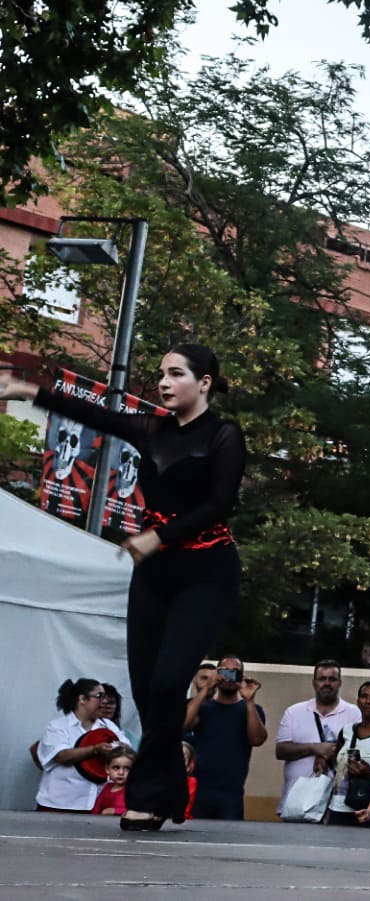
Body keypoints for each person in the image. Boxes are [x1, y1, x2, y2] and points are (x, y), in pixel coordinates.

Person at [3, 346, 247, 831]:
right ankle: (168, 792)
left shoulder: (223, 436)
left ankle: (146, 795)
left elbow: (221, 502)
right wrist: (28, 390)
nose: (164, 382)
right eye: (161, 374)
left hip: (206, 571)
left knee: (166, 683)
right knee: (144, 689)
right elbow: (93, 413)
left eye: (176, 374)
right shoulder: (151, 428)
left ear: (204, 383)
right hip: (155, 574)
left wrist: (159, 534)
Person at [182, 655, 267, 820]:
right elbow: (183, 726)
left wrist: (249, 700)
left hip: (232, 792)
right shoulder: (203, 707)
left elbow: (257, 740)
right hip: (199, 789)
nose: (229, 676)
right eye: (225, 671)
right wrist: (206, 689)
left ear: (242, 676)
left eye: (235, 672)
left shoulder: (251, 710)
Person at [275, 660, 361, 812]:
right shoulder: (294, 712)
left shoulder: (353, 713)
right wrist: (315, 748)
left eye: (332, 679)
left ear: (340, 683)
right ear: (314, 683)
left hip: (338, 805)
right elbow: (281, 751)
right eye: (322, 679)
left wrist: (330, 753)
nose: (327, 683)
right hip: (296, 804)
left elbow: (358, 751)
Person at [36, 678, 130, 812]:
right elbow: (61, 755)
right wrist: (95, 749)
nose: (104, 701)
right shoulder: (57, 727)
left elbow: (126, 750)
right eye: (99, 696)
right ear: (82, 699)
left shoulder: (109, 726)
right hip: (59, 805)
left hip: (96, 805)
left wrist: (117, 749)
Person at [326, 681, 370, 826]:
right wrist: (323, 760)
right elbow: (335, 759)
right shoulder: (346, 730)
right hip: (337, 806)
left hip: (366, 808)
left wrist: (369, 773)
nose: (369, 701)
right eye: (364, 696)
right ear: (358, 701)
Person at [92, 750, 135, 816]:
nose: (121, 772)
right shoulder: (107, 787)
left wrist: (115, 811)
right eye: (116, 768)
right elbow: (96, 810)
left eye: (127, 769)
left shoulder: (133, 789)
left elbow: (137, 811)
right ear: (107, 769)